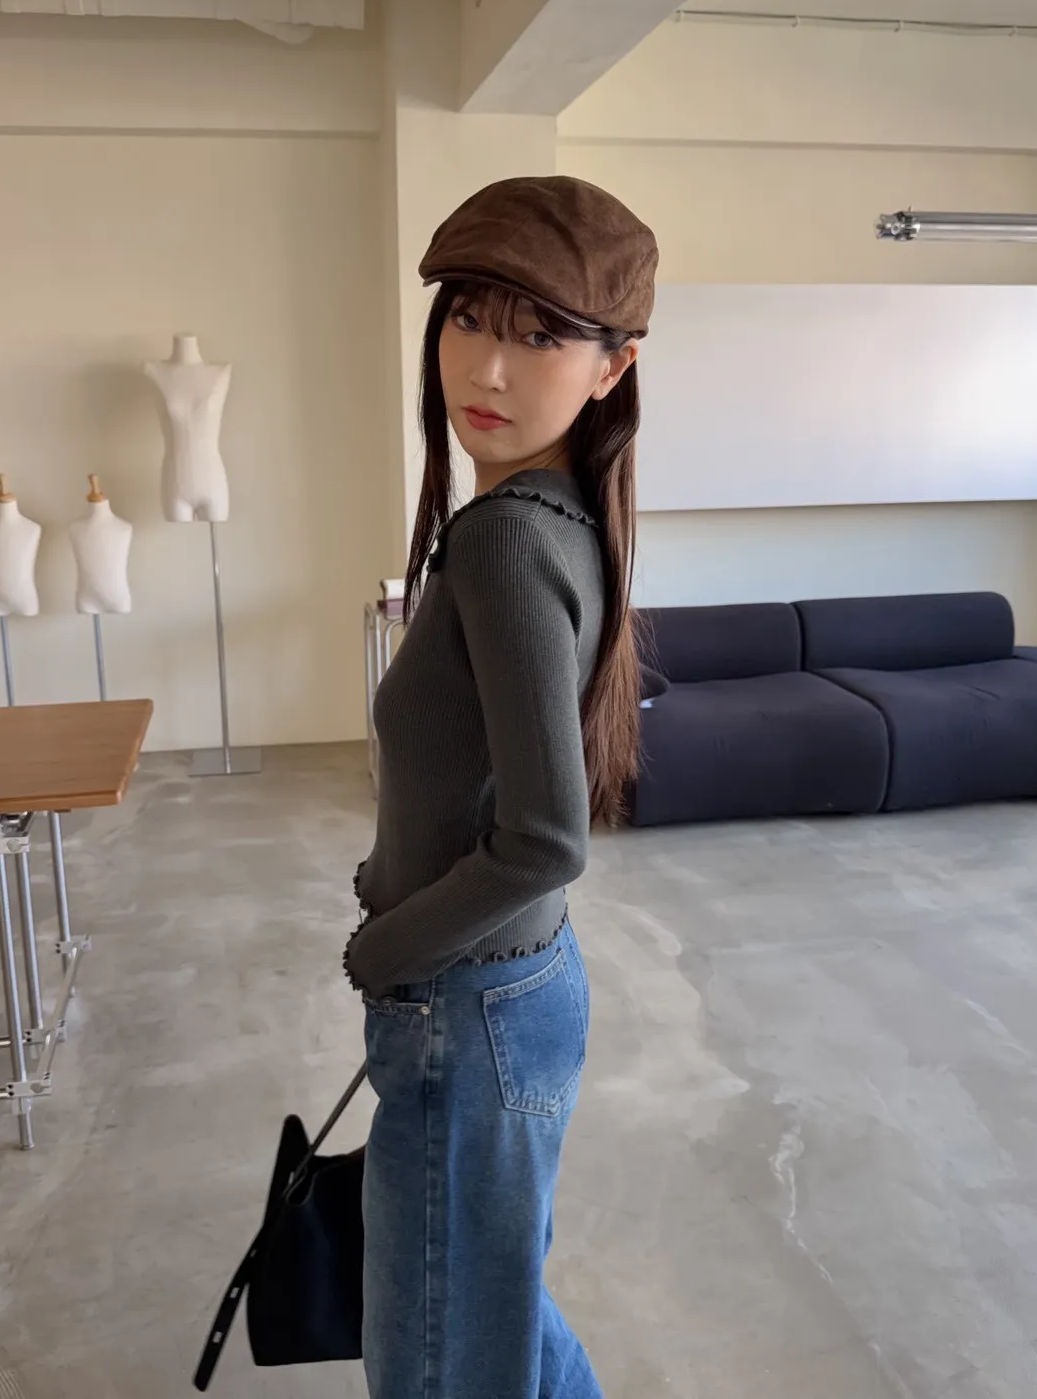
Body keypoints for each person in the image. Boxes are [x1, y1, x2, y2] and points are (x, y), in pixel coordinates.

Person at [344, 175, 658, 1399]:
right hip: (513, 985)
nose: (484, 366)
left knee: (439, 1356)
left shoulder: (506, 537)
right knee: (488, 1307)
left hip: (465, 1000)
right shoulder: (564, 512)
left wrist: (387, 946)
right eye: (468, 317)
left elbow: (544, 837)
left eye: (539, 336)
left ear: (612, 365)